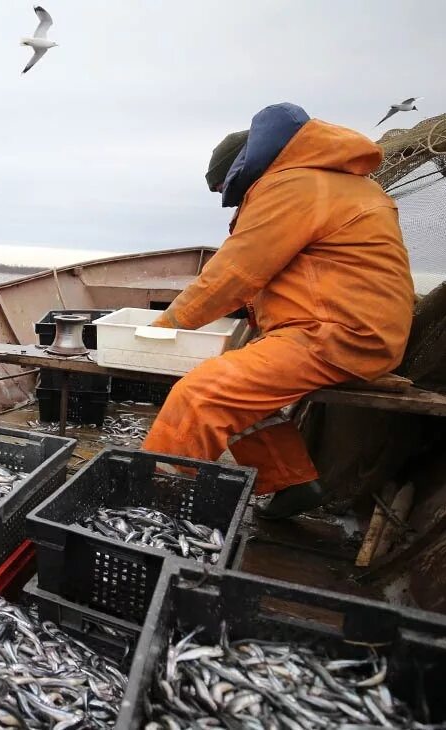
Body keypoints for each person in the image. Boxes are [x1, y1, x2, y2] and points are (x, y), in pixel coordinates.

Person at [142, 102, 415, 519]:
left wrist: (162, 327)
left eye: (226, 193)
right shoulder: (333, 181)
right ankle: (293, 483)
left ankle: (149, 507)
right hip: (355, 330)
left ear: (243, 170)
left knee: (201, 394)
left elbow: (235, 273)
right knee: (240, 390)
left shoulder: (293, 186)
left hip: (336, 335)